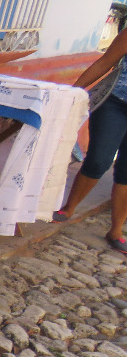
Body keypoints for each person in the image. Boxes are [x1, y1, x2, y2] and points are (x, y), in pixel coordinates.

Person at [53, 26, 127, 255]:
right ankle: (68, 208)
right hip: (115, 103)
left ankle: (115, 231)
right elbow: (106, 62)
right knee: (98, 160)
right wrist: (73, 92)